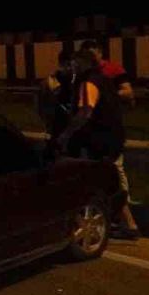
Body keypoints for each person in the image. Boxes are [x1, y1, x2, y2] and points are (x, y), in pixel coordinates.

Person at [57, 50, 140, 238]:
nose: (74, 66)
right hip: (113, 137)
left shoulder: (89, 82)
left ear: (85, 62)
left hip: (101, 141)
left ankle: (127, 223)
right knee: (111, 181)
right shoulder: (104, 80)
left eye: (77, 62)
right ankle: (127, 223)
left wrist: (67, 133)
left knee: (106, 183)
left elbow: (86, 111)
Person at [38, 48, 76, 160]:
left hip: (57, 128)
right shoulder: (50, 82)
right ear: (67, 63)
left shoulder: (49, 81)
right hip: (59, 128)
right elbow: (41, 105)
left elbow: (40, 106)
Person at [80, 38, 135, 106]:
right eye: (85, 56)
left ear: (100, 52)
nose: (89, 58)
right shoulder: (84, 72)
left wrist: (106, 95)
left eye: (91, 55)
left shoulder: (114, 68)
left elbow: (128, 92)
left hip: (111, 111)